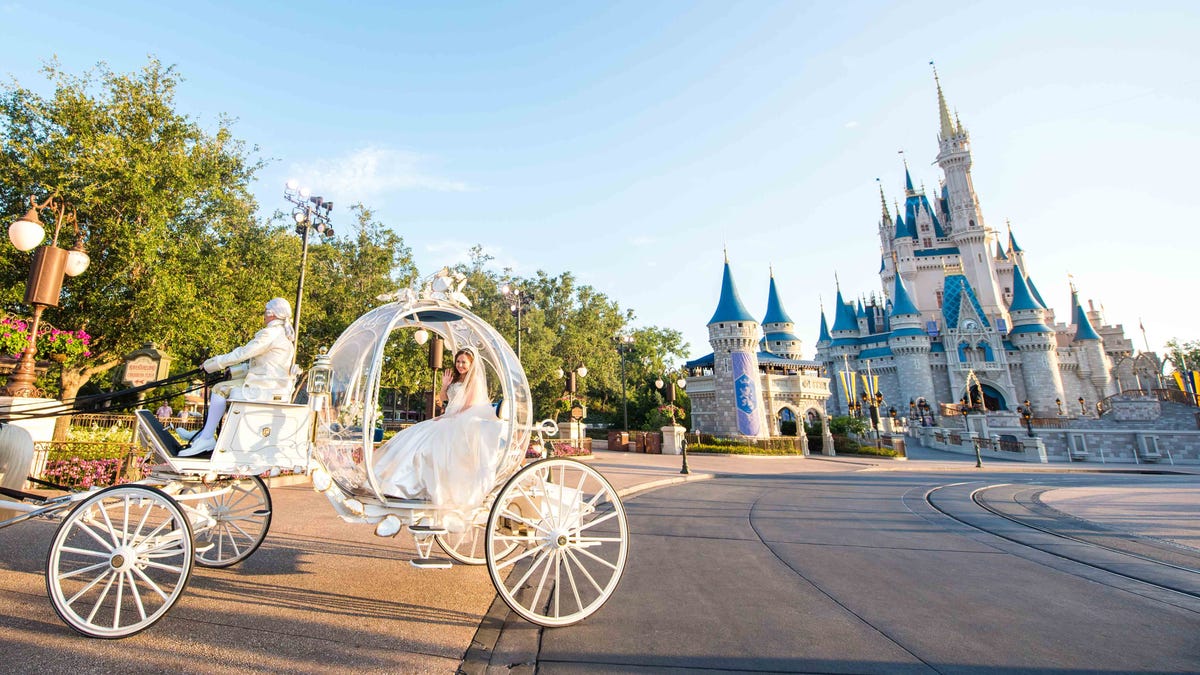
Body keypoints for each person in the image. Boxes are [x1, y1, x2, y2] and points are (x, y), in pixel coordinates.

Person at [373, 346, 503, 529]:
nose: (460, 365)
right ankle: (392, 482)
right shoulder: (456, 379)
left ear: (471, 363)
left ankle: (412, 486)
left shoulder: (475, 381)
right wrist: (444, 385)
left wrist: (448, 416)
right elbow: (441, 400)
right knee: (413, 435)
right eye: (458, 361)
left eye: (464, 362)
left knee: (429, 443)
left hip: (462, 419)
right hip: (450, 416)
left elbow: (470, 405)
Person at [176, 297, 297, 456]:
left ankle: (206, 438)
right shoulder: (282, 334)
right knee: (223, 385)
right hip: (270, 383)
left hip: (264, 386)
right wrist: (233, 371)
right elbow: (263, 364)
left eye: (265, 312)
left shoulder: (270, 333)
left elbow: (243, 353)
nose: (263, 316)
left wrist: (213, 364)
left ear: (271, 314)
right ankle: (204, 433)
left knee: (219, 389)